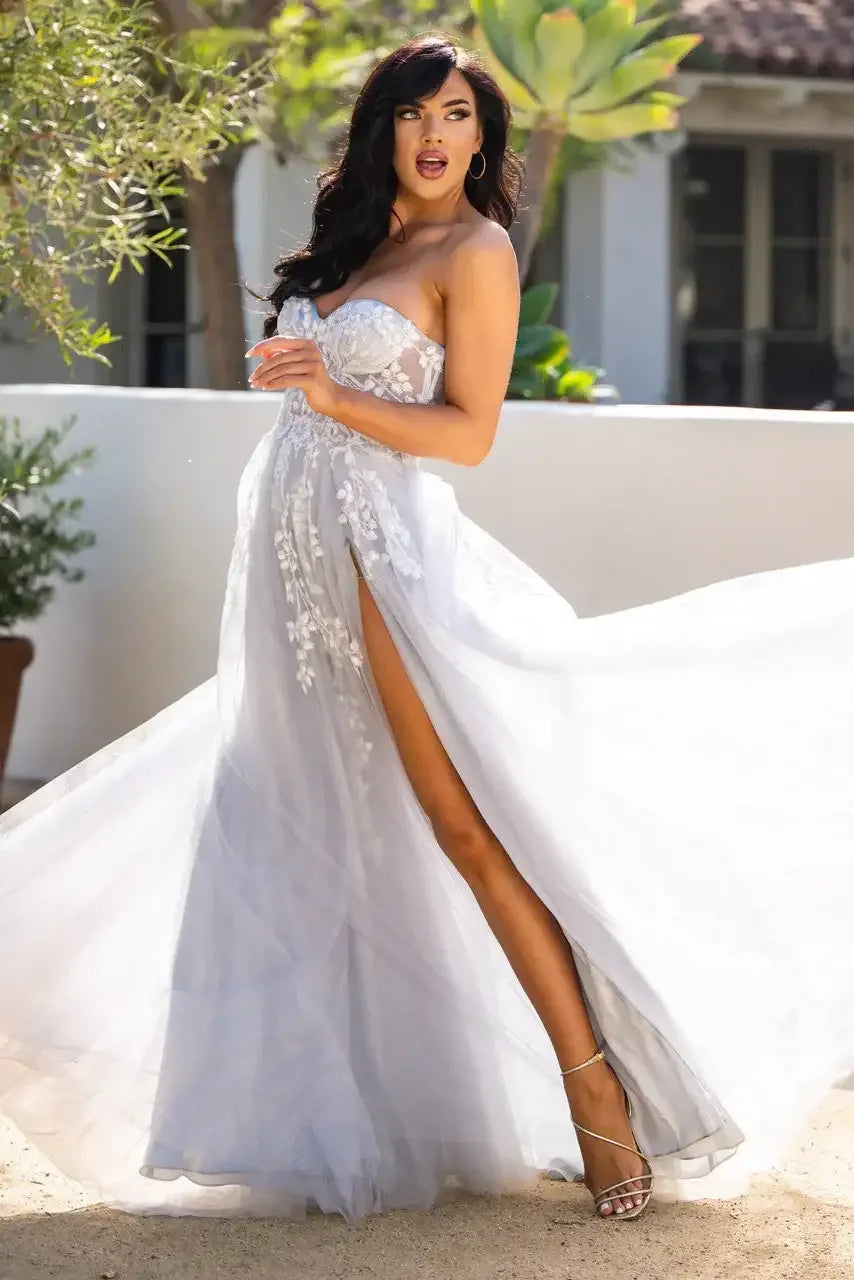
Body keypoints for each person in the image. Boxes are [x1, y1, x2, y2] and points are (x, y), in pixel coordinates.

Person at [1, 34, 853, 1228]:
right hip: (291, 551)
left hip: (383, 555)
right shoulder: (347, 246)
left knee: (461, 822)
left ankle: (598, 1095)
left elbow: (467, 434)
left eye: (455, 113)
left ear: (481, 135)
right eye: (412, 113)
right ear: (380, 131)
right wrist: (299, 386)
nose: (435, 135)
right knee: (291, 809)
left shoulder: (478, 248)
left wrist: (329, 390)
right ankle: (328, 1111)